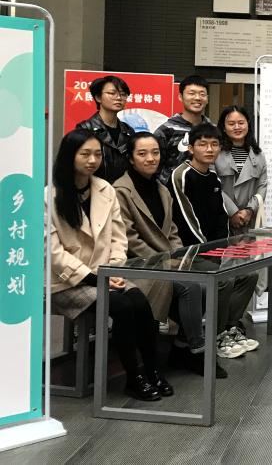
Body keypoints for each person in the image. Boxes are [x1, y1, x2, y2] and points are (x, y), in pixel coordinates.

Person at [49, 129, 172, 401]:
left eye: (97, 154)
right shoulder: (50, 195)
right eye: (85, 154)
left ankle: (152, 370)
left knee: (141, 302)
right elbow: (53, 253)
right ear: (69, 156)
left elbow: (118, 239)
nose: (92, 160)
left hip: (106, 274)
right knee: (122, 307)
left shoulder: (105, 189)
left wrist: (113, 270)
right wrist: (96, 278)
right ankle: (133, 377)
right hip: (68, 282)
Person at [113, 132, 227, 379]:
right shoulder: (121, 190)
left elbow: (172, 230)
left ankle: (181, 346)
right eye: (142, 153)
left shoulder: (161, 188)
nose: (150, 158)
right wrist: (164, 262)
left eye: (155, 153)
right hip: (137, 266)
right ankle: (197, 350)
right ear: (131, 158)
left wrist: (178, 257)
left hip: (166, 261)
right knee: (191, 287)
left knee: (209, 284)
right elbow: (129, 238)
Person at [170, 123, 259, 359]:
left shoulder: (212, 177)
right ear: (191, 148)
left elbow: (221, 216)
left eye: (214, 144)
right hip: (190, 253)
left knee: (249, 274)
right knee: (223, 280)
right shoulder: (181, 175)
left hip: (214, 251)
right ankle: (216, 335)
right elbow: (187, 219)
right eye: (203, 144)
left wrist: (224, 248)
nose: (209, 149)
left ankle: (229, 328)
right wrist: (210, 251)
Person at [214, 106, 267, 235]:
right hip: (222, 217)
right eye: (231, 124)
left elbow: (262, 186)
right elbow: (213, 184)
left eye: (241, 123)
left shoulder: (258, 155)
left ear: (248, 124)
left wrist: (249, 210)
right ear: (224, 127)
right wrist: (232, 212)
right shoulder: (215, 153)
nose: (237, 127)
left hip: (249, 220)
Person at [76, 75, 136, 183]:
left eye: (123, 94)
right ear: (98, 98)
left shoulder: (128, 131)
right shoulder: (85, 129)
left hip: (123, 190)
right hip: (95, 189)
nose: (119, 98)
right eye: (112, 93)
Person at [154, 75, 212, 185]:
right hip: (172, 191)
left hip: (205, 190)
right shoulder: (166, 130)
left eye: (202, 94)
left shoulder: (213, 130)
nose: (197, 98)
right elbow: (154, 166)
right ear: (180, 97)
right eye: (192, 93)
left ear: (207, 98)